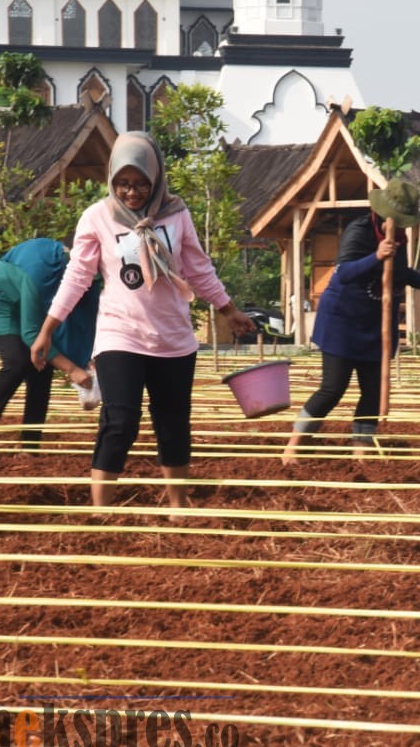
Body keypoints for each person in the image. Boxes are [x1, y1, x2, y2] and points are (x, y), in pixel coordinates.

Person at [30, 131, 254, 509]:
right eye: (123, 184)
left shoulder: (177, 214)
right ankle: (101, 510)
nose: (131, 193)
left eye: (140, 184)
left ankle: (178, 505)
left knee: (173, 423)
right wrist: (47, 330)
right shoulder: (97, 217)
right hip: (121, 334)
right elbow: (78, 277)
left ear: (155, 179)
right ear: (112, 180)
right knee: (120, 421)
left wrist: (228, 310)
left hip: (174, 338)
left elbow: (199, 269)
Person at [281, 180, 420, 463]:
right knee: (333, 387)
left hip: (375, 322)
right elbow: (344, 272)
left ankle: (361, 450)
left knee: (371, 391)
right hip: (343, 321)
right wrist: (376, 256)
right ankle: (295, 445)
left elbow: (398, 271)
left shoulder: (398, 238)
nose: (403, 226)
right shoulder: (359, 231)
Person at [0, 237, 98, 446]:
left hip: (37, 306)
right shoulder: (39, 273)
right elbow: (31, 333)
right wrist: (72, 370)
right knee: (18, 362)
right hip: (2, 305)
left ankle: (30, 443)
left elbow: (88, 319)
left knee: (41, 370)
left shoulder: (92, 276)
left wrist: (89, 358)